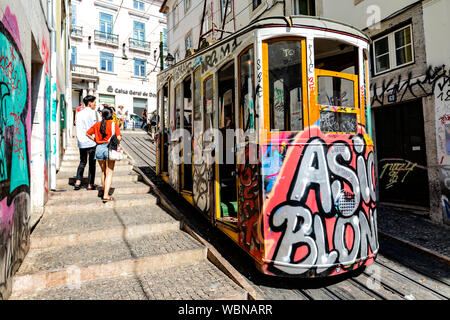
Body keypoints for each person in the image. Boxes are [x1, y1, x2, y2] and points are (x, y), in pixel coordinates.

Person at [86, 107, 122, 202]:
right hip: (109, 148)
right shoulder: (113, 124)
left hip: (99, 148)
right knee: (109, 172)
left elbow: (87, 133)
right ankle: (106, 195)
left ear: (102, 115)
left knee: (103, 172)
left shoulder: (97, 124)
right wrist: (116, 140)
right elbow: (118, 138)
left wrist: (96, 140)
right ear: (111, 115)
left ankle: (103, 191)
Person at [74, 95, 99, 191]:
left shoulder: (79, 113)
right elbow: (98, 127)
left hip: (82, 141)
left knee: (82, 162)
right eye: (94, 102)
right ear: (90, 103)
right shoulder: (95, 114)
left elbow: (78, 126)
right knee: (92, 164)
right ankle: (90, 184)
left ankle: (78, 181)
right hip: (92, 141)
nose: (95, 104)